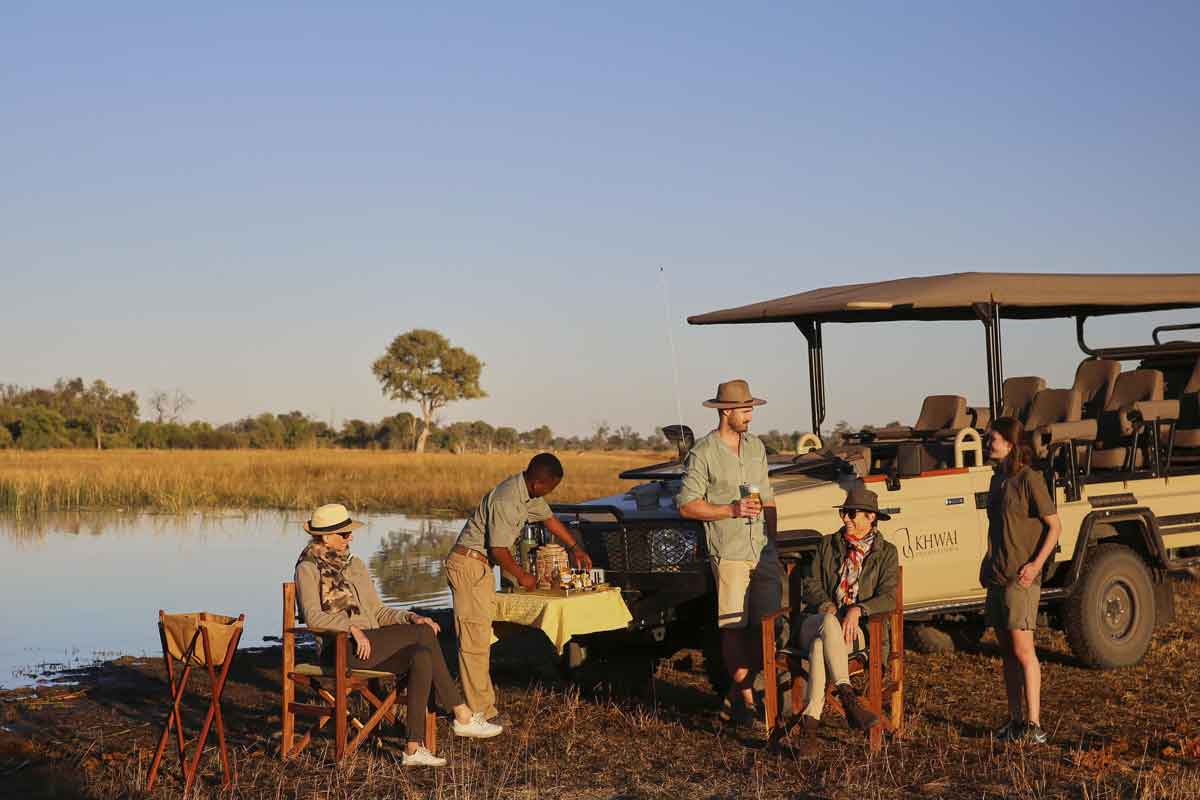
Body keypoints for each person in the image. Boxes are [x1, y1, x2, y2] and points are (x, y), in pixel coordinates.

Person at [295, 503, 502, 767]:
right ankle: (461, 714)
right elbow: (314, 617)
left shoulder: (355, 565)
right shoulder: (307, 568)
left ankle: (413, 749)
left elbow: (378, 611)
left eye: (350, 533)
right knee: (423, 634)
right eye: (344, 534)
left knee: (421, 654)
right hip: (339, 648)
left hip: (371, 643)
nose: (351, 537)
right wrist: (351, 628)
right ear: (325, 537)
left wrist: (411, 617)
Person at [445, 453, 592, 724]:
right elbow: (498, 548)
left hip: (480, 567)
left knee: (480, 638)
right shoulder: (507, 500)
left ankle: (479, 706)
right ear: (538, 482)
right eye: (550, 488)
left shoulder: (528, 494)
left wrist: (575, 548)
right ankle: (480, 714)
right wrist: (522, 575)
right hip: (468, 565)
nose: (550, 493)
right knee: (473, 643)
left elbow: (549, 519)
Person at [676, 379, 783, 726]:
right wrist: (731, 511)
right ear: (726, 412)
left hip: (762, 551)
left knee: (765, 626)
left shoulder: (756, 448)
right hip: (730, 552)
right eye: (745, 410)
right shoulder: (703, 453)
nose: (750, 417)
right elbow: (687, 506)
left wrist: (774, 544)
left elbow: (767, 498)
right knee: (734, 628)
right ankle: (747, 701)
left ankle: (738, 698)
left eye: (751, 409)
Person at [980, 417, 1062, 744]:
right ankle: (1015, 721)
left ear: (1010, 444)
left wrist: (1034, 565)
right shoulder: (996, 480)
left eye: (993, 440)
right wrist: (986, 561)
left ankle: (1034, 724)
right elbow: (995, 529)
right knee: (1007, 653)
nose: (988, 445)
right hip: (998, 575)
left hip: (1021, 578)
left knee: (1023, 650)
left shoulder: (1030, 479)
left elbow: (1055, 527)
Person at [793, 485, 898, 737]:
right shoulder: (827, 544)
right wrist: (827, 605)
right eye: (844, 512)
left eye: (852, 513)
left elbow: (889, 597)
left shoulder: (886, 553)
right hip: (818, 619)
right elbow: (810, 584)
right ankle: (847, 694)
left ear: (870, 517)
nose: (845, 518)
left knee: (820, 647)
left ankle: (810, 726)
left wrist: (859, 609)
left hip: (854, 631)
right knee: (827, 622)